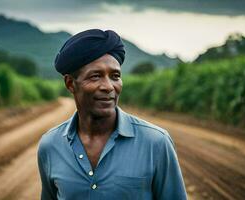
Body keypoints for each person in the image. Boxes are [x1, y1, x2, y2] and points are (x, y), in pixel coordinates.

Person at [37, 29, 187, 200]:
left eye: (115, 76)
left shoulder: (156, 143)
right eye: (95, 76)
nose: (108, 86)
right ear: (70, 84)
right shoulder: (50, 145)